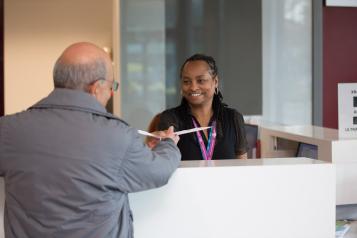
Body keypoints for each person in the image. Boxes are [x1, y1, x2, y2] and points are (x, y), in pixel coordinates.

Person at [0, 42, 181, 238]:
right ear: (96, 87)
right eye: (112, 86)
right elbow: (159, 171)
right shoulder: (117, 137)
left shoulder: (8, 130)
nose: (112, 93)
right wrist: (169, 144)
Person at [157, 53, 247, 160]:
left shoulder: (233, 118)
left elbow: (242, 166)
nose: (193, 87)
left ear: (216, 82)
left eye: (201, 80)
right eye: (186, 81)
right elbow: (163, 164)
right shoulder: (170, 119)